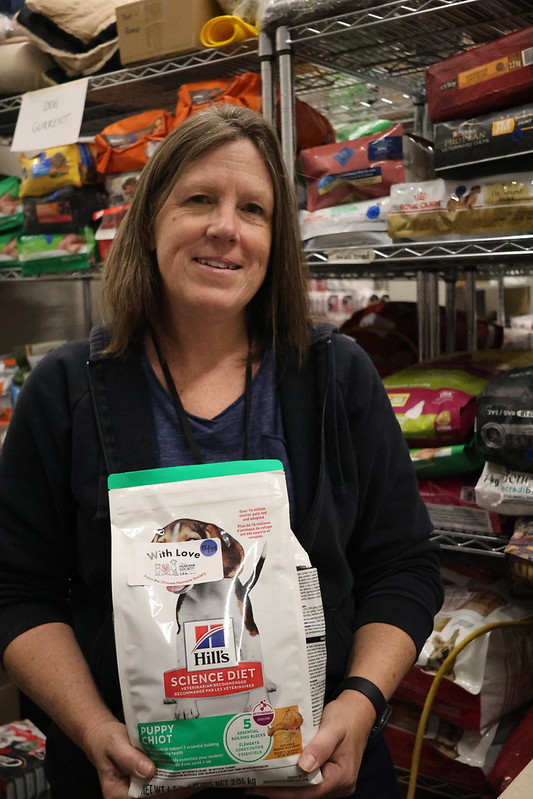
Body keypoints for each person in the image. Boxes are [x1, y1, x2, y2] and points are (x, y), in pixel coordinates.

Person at [0, 104, 443, 799]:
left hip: (318, 768)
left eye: (254, 209)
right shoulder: (66, 391)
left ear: (276, 240)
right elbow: (18, 591)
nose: (225, 228)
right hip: (127, 774)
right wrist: (92, 730)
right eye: (199, 199)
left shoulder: (336, 376)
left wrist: (357, 706)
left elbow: (402, 565)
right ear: (149, 222)